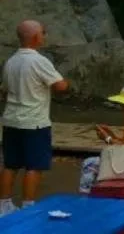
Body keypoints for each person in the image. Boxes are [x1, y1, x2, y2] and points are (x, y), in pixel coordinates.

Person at [1, 20, 69, 216]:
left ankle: (3, 206)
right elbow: (60, 86)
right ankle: (29, 205)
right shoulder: (39, 61)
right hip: (34, 122)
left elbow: (4, 90)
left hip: (11, 119)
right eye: (43, 33)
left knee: (10, 164)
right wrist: (65, 83)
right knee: (34, 166)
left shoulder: (11, 61)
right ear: (36, 37)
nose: (45, 36)